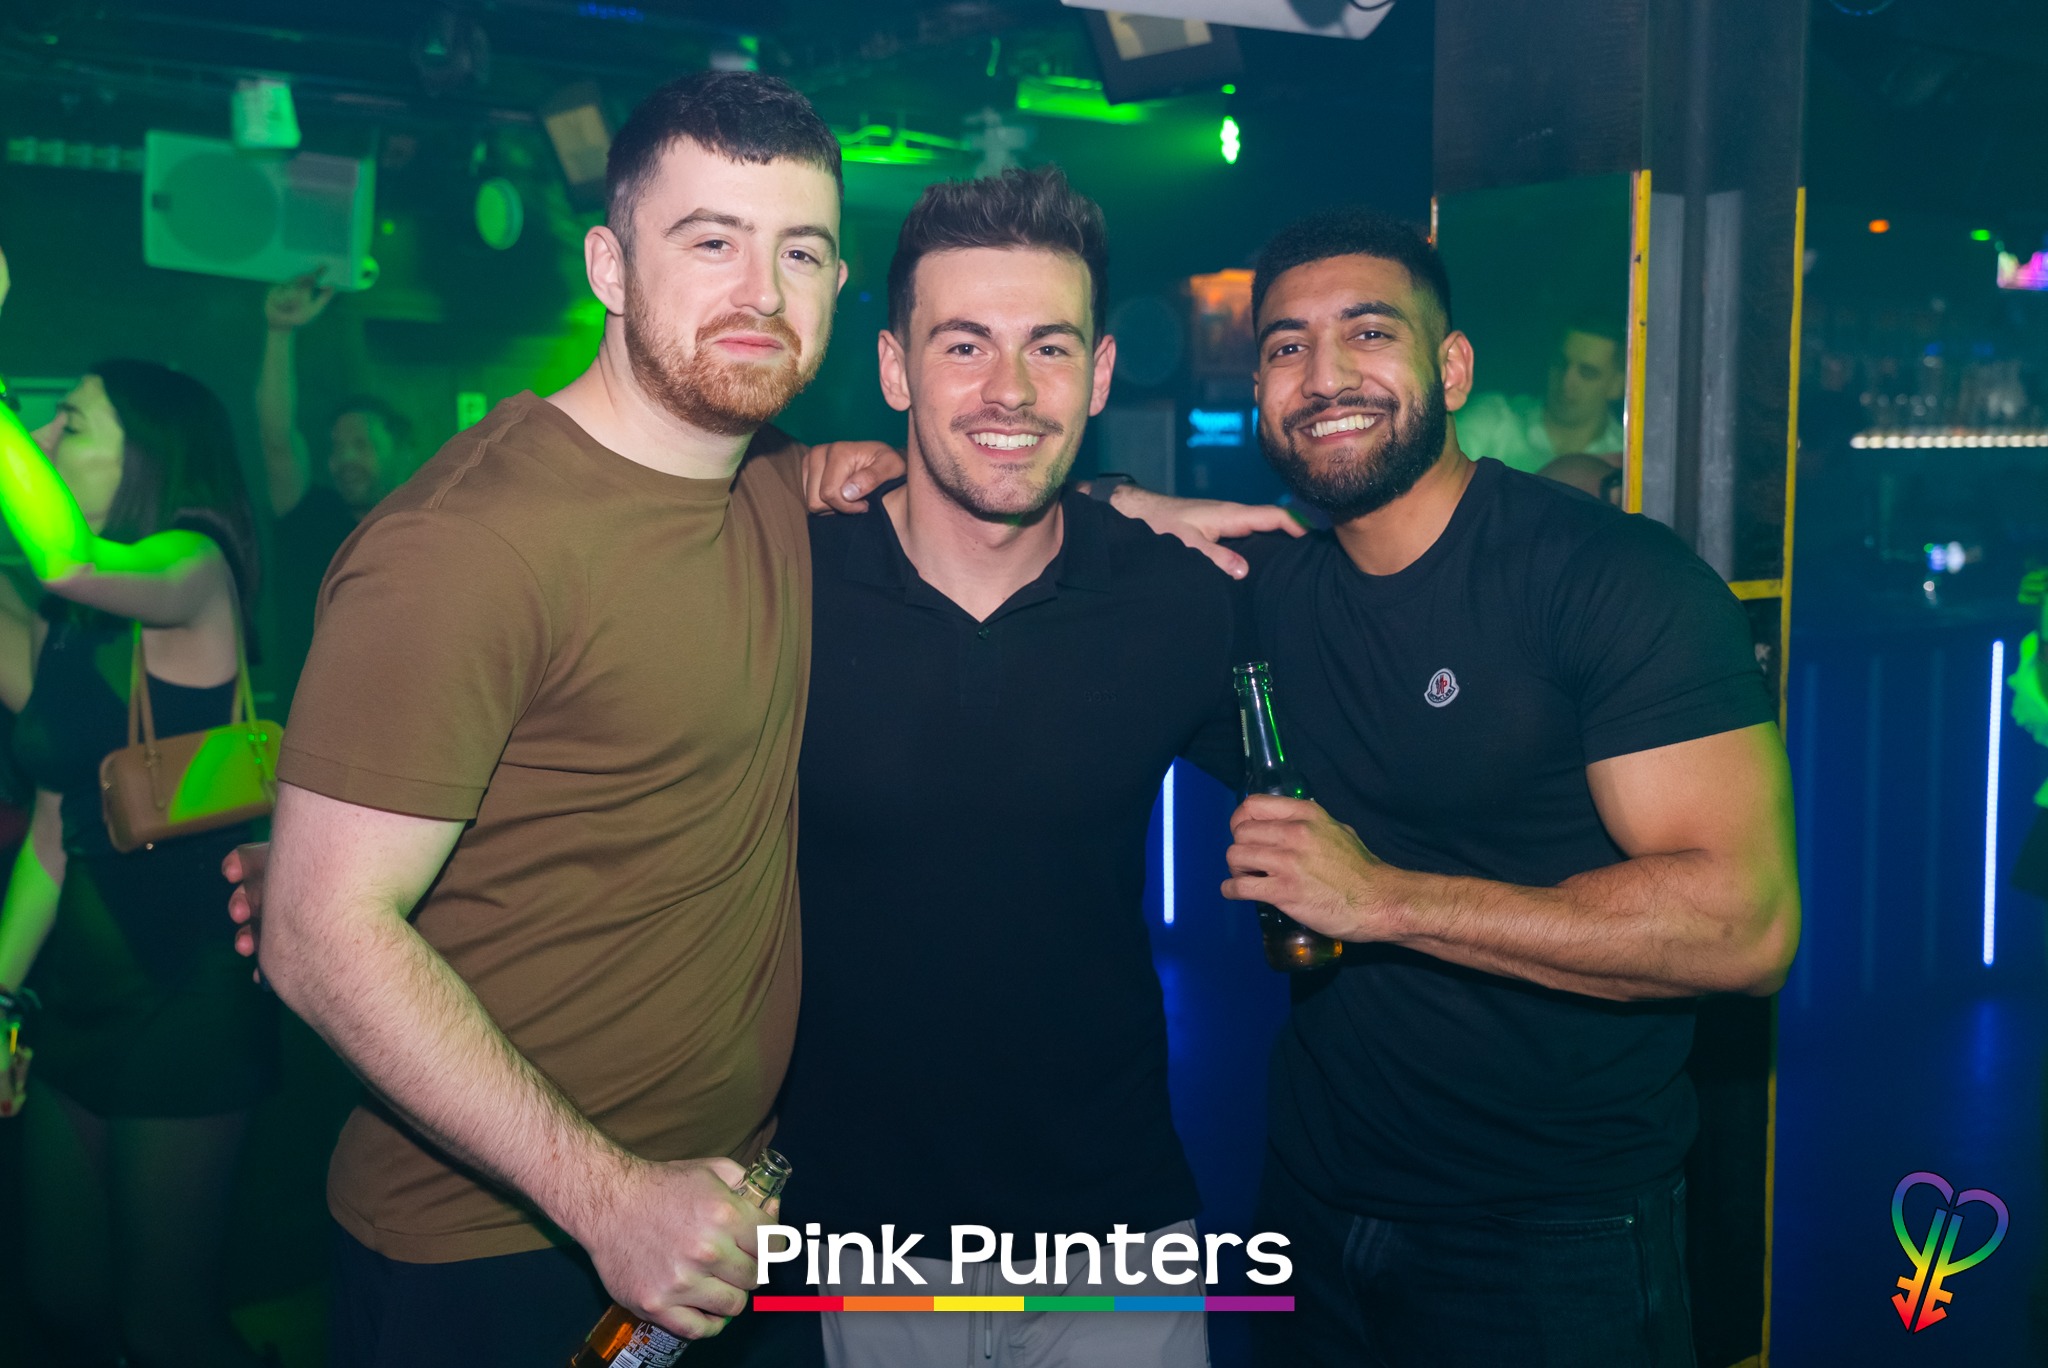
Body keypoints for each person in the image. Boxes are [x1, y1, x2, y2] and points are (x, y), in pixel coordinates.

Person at [1219, 210, 1800, 1367]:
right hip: (1307, 1205)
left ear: (1450, 368)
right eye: (1286, 347)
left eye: (1367, 333)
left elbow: (1744, 925)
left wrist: (1382, 899)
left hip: (1549, 1233)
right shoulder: (1272, 594)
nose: (1323, 376)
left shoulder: (1606, 577)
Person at [770, 166, 1261, 1368]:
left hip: (1116, 1226)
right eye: (963, 346)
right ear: (893, 368)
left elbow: (1381, 770)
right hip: (859, 1235)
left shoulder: (1181, 599)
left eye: (1048, 348)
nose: (1009, 390)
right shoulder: (780, 586)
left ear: (1099, 373)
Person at [0, 346, 273, 1368]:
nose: (45, 438)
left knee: (170, 1327)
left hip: (187, 998)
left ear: (147, 454)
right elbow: (52, 833)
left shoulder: (193, 566)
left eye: (71, 421)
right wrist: (0, 994)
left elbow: (65, 555)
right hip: (78, 999)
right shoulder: (69, 625)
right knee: (62, 1296)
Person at [253, 277, 417, 717]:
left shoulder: (430, 529)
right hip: (314, 728)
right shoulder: (311, 517)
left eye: (361, 445)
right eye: (336, 447)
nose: (345, 459)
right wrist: (279, 332)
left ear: (402, 452)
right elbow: (276, 438)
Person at [1455, 316, 1626, 475]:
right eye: (1560, 363)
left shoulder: (1626, 458)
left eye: (1587, 373)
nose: (1567, 381)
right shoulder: (1494, 419)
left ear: (1617, 386)